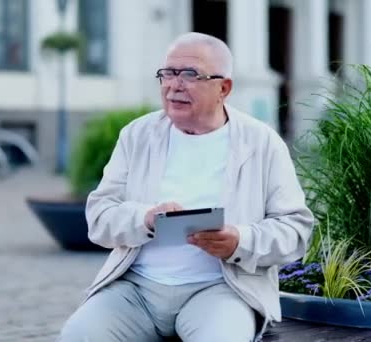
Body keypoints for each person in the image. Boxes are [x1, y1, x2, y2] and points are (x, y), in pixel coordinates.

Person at [58, 32, 314, 342]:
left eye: (190, 74)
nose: (174, 85)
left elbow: (296, 230)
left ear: (224, 88)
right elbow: (99, 217)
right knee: (78, 335)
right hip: (136, 289)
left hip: (220, 289)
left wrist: (239, 241)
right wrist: (146, 219)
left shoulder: (262, 143)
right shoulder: (137, 135)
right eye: (168, 73)